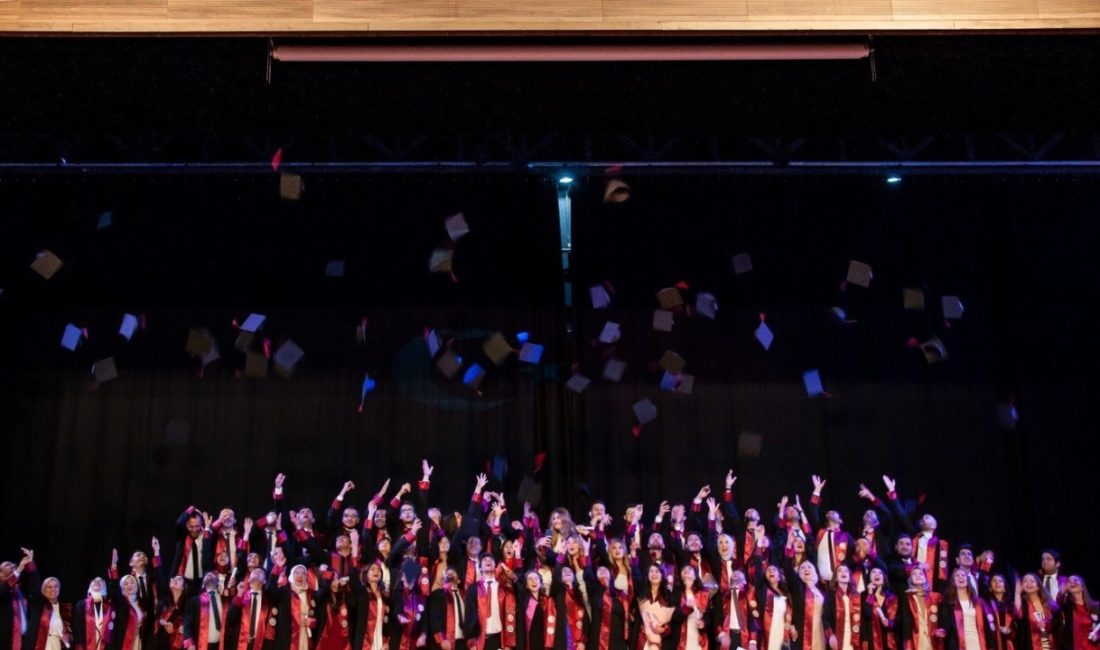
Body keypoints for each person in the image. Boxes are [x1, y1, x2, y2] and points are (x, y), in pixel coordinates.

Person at [942, 568, 989, 650]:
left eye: (963, 575)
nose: (961, 577)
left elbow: (986, 624)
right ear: (953, 582)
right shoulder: (949, 604)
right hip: (957, 644)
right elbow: (946, 625)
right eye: (957, 576)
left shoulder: (978, 602)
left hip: (978, 642)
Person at [23, 576, 73, 650]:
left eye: (56, 586)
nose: (53, 589)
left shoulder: (65, 608)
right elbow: (34, 586)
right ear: (43, 590)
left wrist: (69, 638)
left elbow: (72, 631)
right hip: (40, 646)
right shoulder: (38, 606)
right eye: (49, 587)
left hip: (57, 646)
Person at [821, 565, 860, 650]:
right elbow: (825, 617)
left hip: (854, 640)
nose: (843, 572)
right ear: (836, 578)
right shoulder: (830, 595)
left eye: (846, 571)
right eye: (840, 571)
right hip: (838, 639)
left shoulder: (856, 597)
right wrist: (831, 635)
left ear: (849, 577)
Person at [1056, 576, 1098, 650]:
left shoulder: (1095, 606)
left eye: (1075, 580)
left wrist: (1098, 635)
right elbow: (1060, 600)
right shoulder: (1067, 606)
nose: (1072, 582)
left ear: (1082, 587)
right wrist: (1063, 591)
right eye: (1069, 581)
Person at [862, 568, 897, 650]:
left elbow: (898, 620)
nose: (877, 574)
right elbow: (866, 614)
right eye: (873, 572)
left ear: (884, 578)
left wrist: (890, 623)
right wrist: (870, 594)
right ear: (869, 578)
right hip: (871, 637)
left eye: (880, 573)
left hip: (888, 637)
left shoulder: (891, 597)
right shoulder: (864, 595)